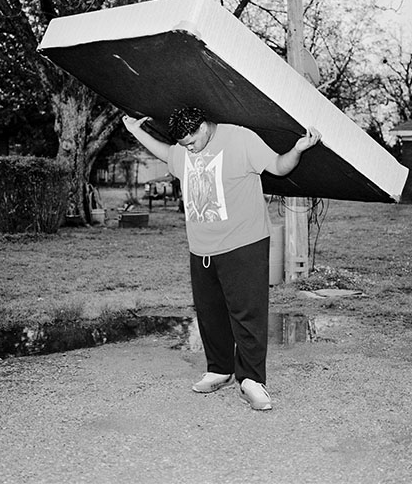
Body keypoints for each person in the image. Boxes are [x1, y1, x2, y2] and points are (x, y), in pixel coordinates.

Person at [122, 107, 320, 411]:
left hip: (244, 242)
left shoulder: (240, 138)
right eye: (184, 145)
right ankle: (220, 369)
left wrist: (297, 149)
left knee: (248, 314)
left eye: (191, 141)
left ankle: (252, 381)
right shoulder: (185, 147)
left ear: (203, 126)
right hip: (201, 247)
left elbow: (279, 167)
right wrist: (136, 131)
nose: (188, 148)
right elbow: (167, 154)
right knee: (211, 312)